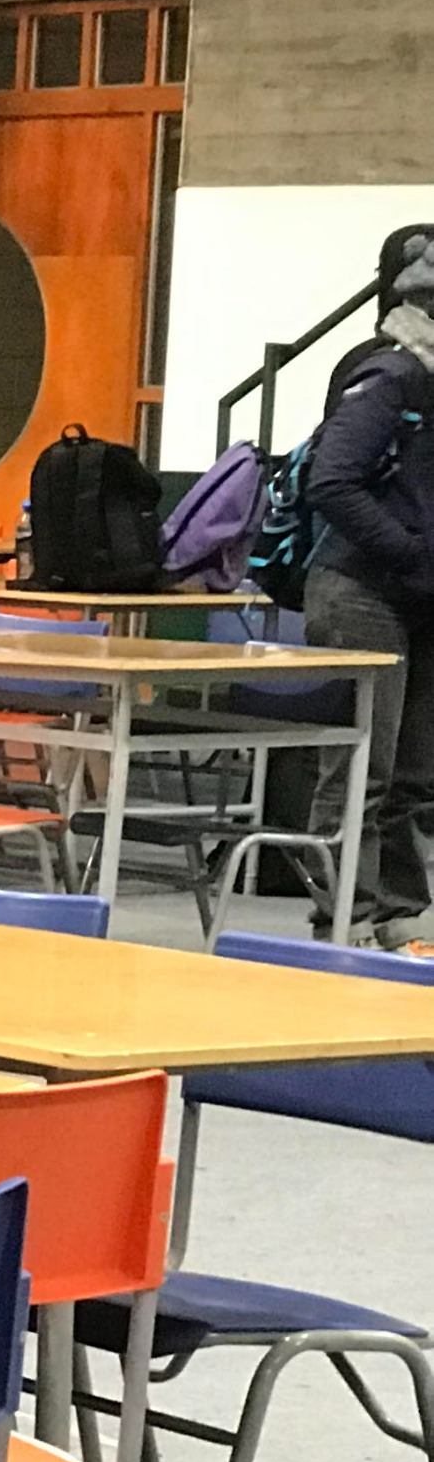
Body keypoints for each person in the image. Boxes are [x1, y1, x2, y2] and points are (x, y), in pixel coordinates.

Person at [302, 231, 434, 943]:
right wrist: (409, 551)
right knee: (364, 768)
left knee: (414, 775)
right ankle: (343, 920)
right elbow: (331, 481)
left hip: (419, 596)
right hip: (361, 590)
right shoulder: (391, 374)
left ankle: (400, 918)